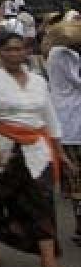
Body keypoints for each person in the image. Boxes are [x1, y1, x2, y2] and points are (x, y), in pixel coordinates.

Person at [0, 31, 77, 267]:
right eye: (8, 49)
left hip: (37, 151)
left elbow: (50, 119)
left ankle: (49, 265)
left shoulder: (38, 81)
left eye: (18, 49)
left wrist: (60, 152)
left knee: (43, 203)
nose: (14, 54)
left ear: (26, 51)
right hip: (3, 149)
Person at [46, 22, 81, 246]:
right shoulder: (61, 55)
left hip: (71, 120)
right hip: (70, 122)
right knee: (76, 176)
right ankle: (79, 226)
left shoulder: (64, 54)